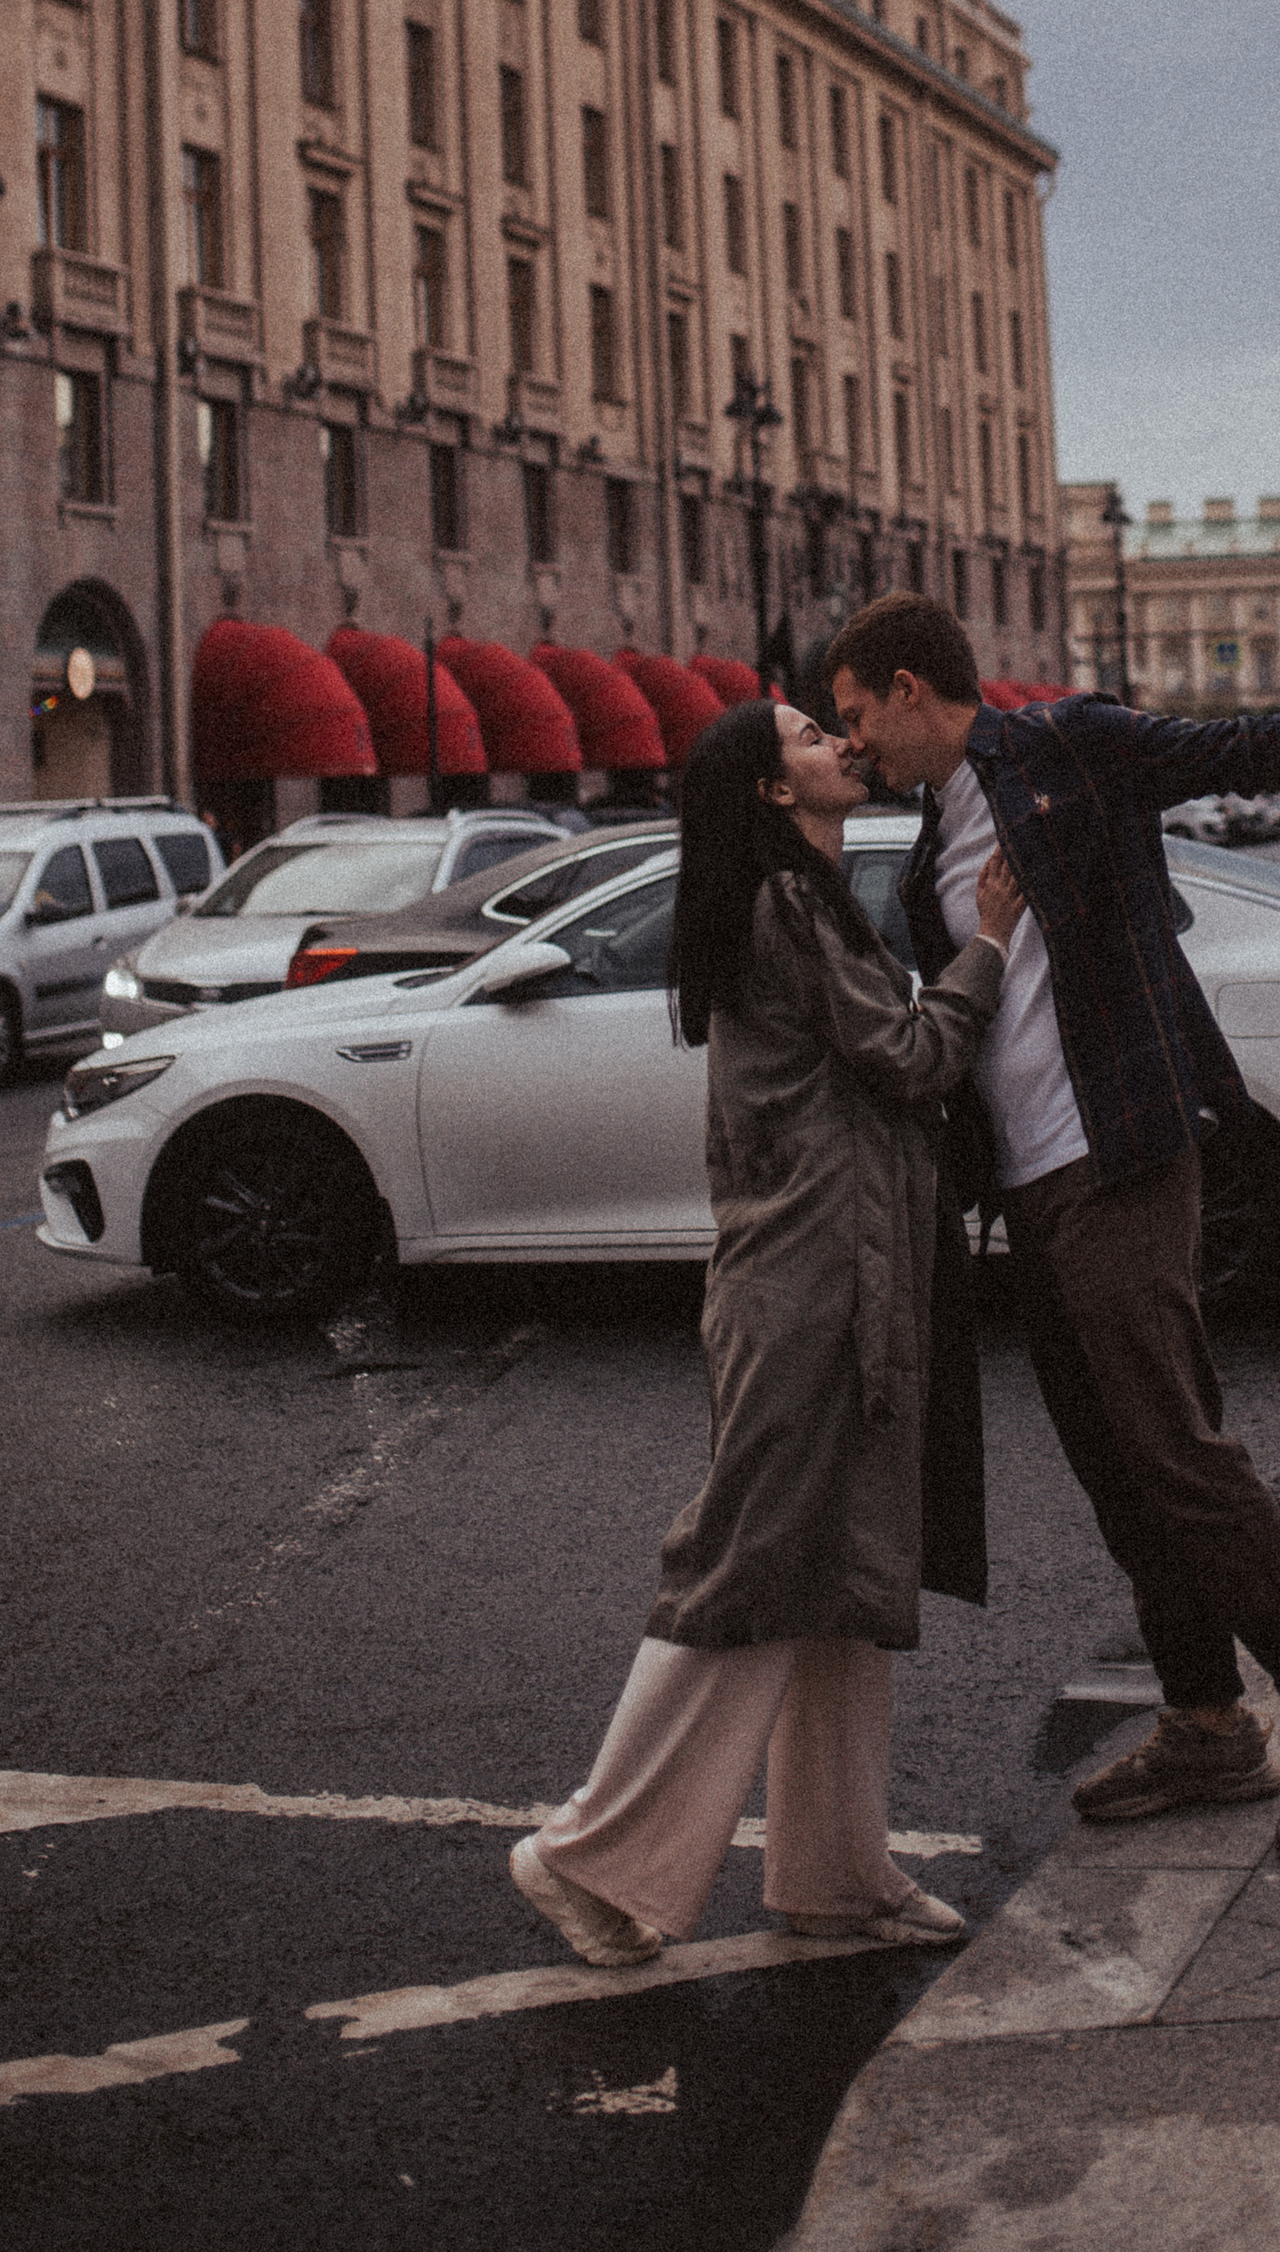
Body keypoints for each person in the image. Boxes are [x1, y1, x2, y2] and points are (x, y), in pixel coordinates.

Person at [826, 592, 1280, 1867]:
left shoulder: (1061, 745)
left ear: (913, 687)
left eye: (860, 716)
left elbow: (1236, 749)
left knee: (1174, 1449)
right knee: (1114, 1464)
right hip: (1031, 1182)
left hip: (1122, 1146)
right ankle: (1205, 1722)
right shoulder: (927, 838)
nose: (855, 743)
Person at [511, 694, 1022, 1970]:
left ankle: (835, 1872)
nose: (839, 745)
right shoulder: (786, 909)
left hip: (841, 1280)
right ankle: (587, 1853)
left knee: (844, 1571)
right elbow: (909, 1056)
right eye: (807, 737)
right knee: (747, 1563)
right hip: (806, 1291)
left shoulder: (809, 899)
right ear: (768, 793)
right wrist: (992, 950)